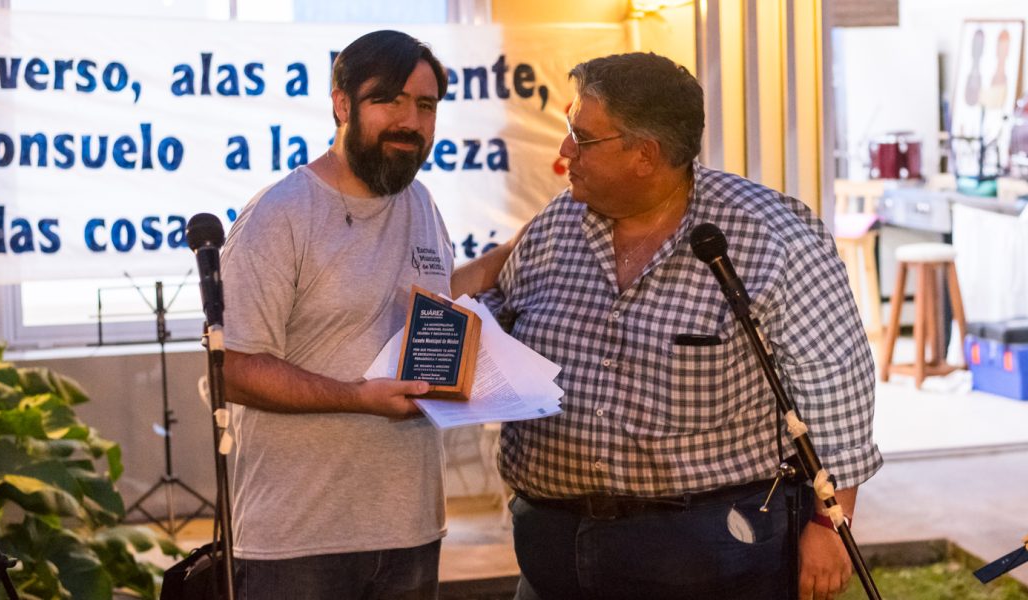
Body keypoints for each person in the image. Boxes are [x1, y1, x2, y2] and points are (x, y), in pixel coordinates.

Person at [479, 52, 882, 600]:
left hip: (708, 547)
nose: (565, 151)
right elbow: (491, 317)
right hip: (552, 544)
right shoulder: (556, 223)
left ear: (645, 154)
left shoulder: (768, 235)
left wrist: (829, 525)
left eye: (582, 137)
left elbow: (836, 387)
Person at [220, 30, 507, 599]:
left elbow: (429, 302)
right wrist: (359, 397)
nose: (410, 121)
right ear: (342, 103)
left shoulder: (421, 203)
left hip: (412, 531)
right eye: (388, 100)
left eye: (425, 105)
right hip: (297, 542)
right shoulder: (281, 214)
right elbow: (233, 368)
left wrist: (510, 255)